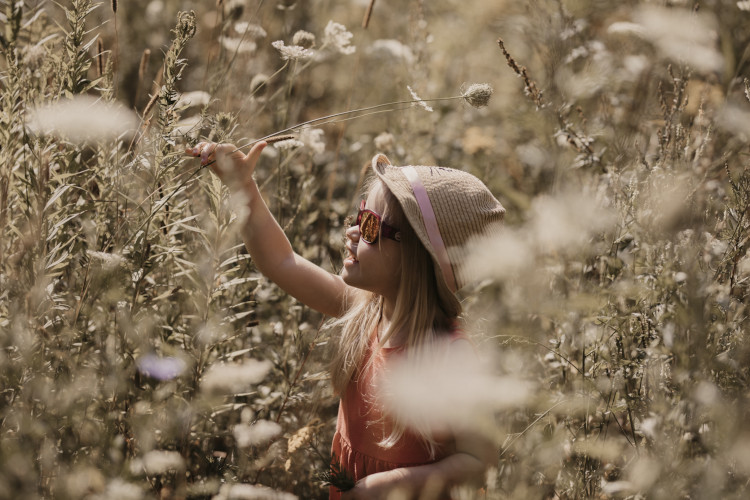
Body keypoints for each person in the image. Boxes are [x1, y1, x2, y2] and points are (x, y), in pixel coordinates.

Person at [186, 140, 506, 499]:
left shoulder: (451, 356)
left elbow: (481, 460)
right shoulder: (363, 309)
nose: (352, 231)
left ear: (416, 257)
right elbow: (281, 262)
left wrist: (392, 483)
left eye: (370, 226)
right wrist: (243, 186)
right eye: (358, 216)